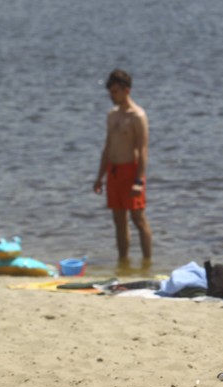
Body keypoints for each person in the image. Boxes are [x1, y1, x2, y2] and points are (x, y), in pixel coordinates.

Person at [93, 69, 152, 262]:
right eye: (110, 92)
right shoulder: (112, 115)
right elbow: (107, 147)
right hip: (114, 172)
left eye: (115, 92)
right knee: (119, 221)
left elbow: (143, 150)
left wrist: (139, 180)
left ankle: (147, 262)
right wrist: (99, 177)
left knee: (138, 219)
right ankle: (123, 262)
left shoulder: (138, 116)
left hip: (131, 171)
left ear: (126, 90)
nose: (112, 96)